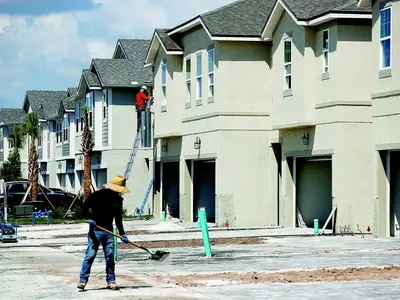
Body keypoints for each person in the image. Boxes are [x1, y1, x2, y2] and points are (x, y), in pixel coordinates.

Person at [77, 175, 130, 291]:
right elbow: (84, 205)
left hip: (109, 231)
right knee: (90, 255)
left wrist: (122, 233)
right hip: (96, 230)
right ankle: (83, 280)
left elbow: (118, 218)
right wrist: (89, 218)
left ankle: (111, 281)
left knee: (110, 256)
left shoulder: (118, 200)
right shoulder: (98, 195)